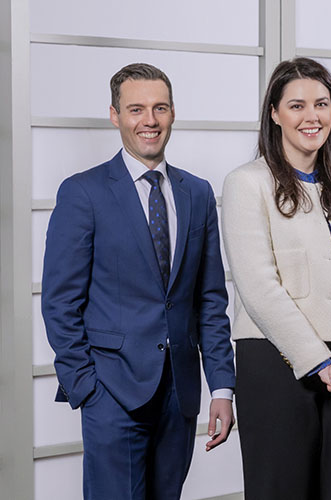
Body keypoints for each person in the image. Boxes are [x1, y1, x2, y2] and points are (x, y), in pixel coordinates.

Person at [41, 63, 236, 500]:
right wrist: (87, 388)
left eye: (159, 108)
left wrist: (221, 386)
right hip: (110, 394)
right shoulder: (83, 193)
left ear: (172, 113)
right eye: (136, 109)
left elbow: (209, 300)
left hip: (179, 395)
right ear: (115, 115)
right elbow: (59, 302)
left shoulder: (198, 193)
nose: (149, 120)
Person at [221, 57, 331, 500]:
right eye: (297, 105)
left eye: (322, 104)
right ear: (274, 113)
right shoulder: (246, 183)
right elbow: (258, 287)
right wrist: (322, 366)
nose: (311, 117)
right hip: (276, 363)